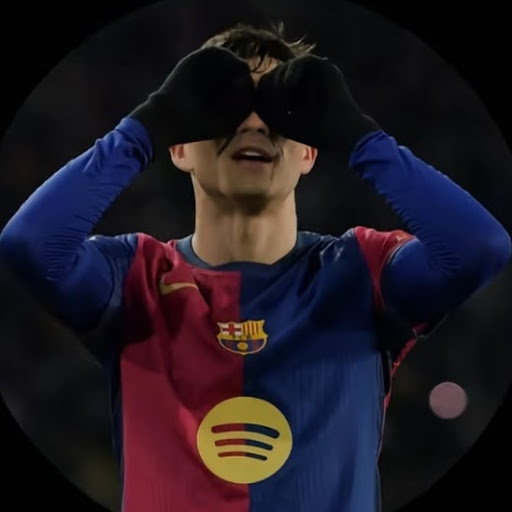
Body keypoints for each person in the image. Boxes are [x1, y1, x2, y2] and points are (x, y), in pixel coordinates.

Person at [0, 21, 510, 512]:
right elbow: (31, 245)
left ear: (309, 151)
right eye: (223, 108)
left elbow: (478, 248)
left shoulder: (361, 271)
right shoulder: (136, 277)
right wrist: (145, 128)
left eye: (279, 111)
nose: (254, 123)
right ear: (178, 145)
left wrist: (359, 138)